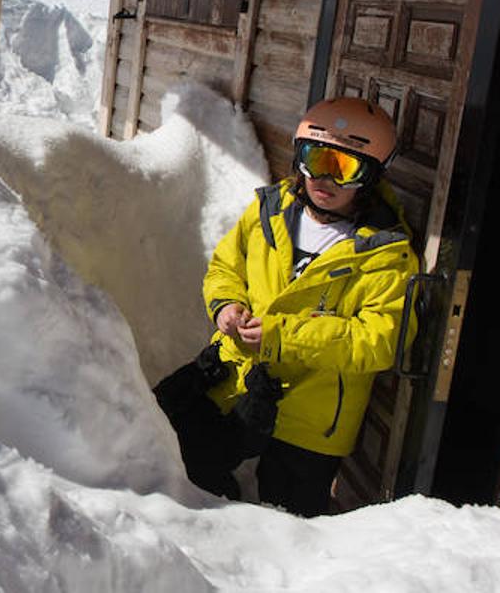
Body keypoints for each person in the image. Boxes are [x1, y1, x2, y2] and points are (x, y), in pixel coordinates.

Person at [153, 97, 419, 516]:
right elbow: (225, 267)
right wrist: (226, 305)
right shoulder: (270, 210)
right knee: (191, 482)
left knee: (289, 523)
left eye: (344, 167)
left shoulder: (385, 253)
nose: (323, 178)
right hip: (236, 384)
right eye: (316, 158)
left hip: (311, 418)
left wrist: (283, 336)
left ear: (369, 176)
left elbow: (377, 342)